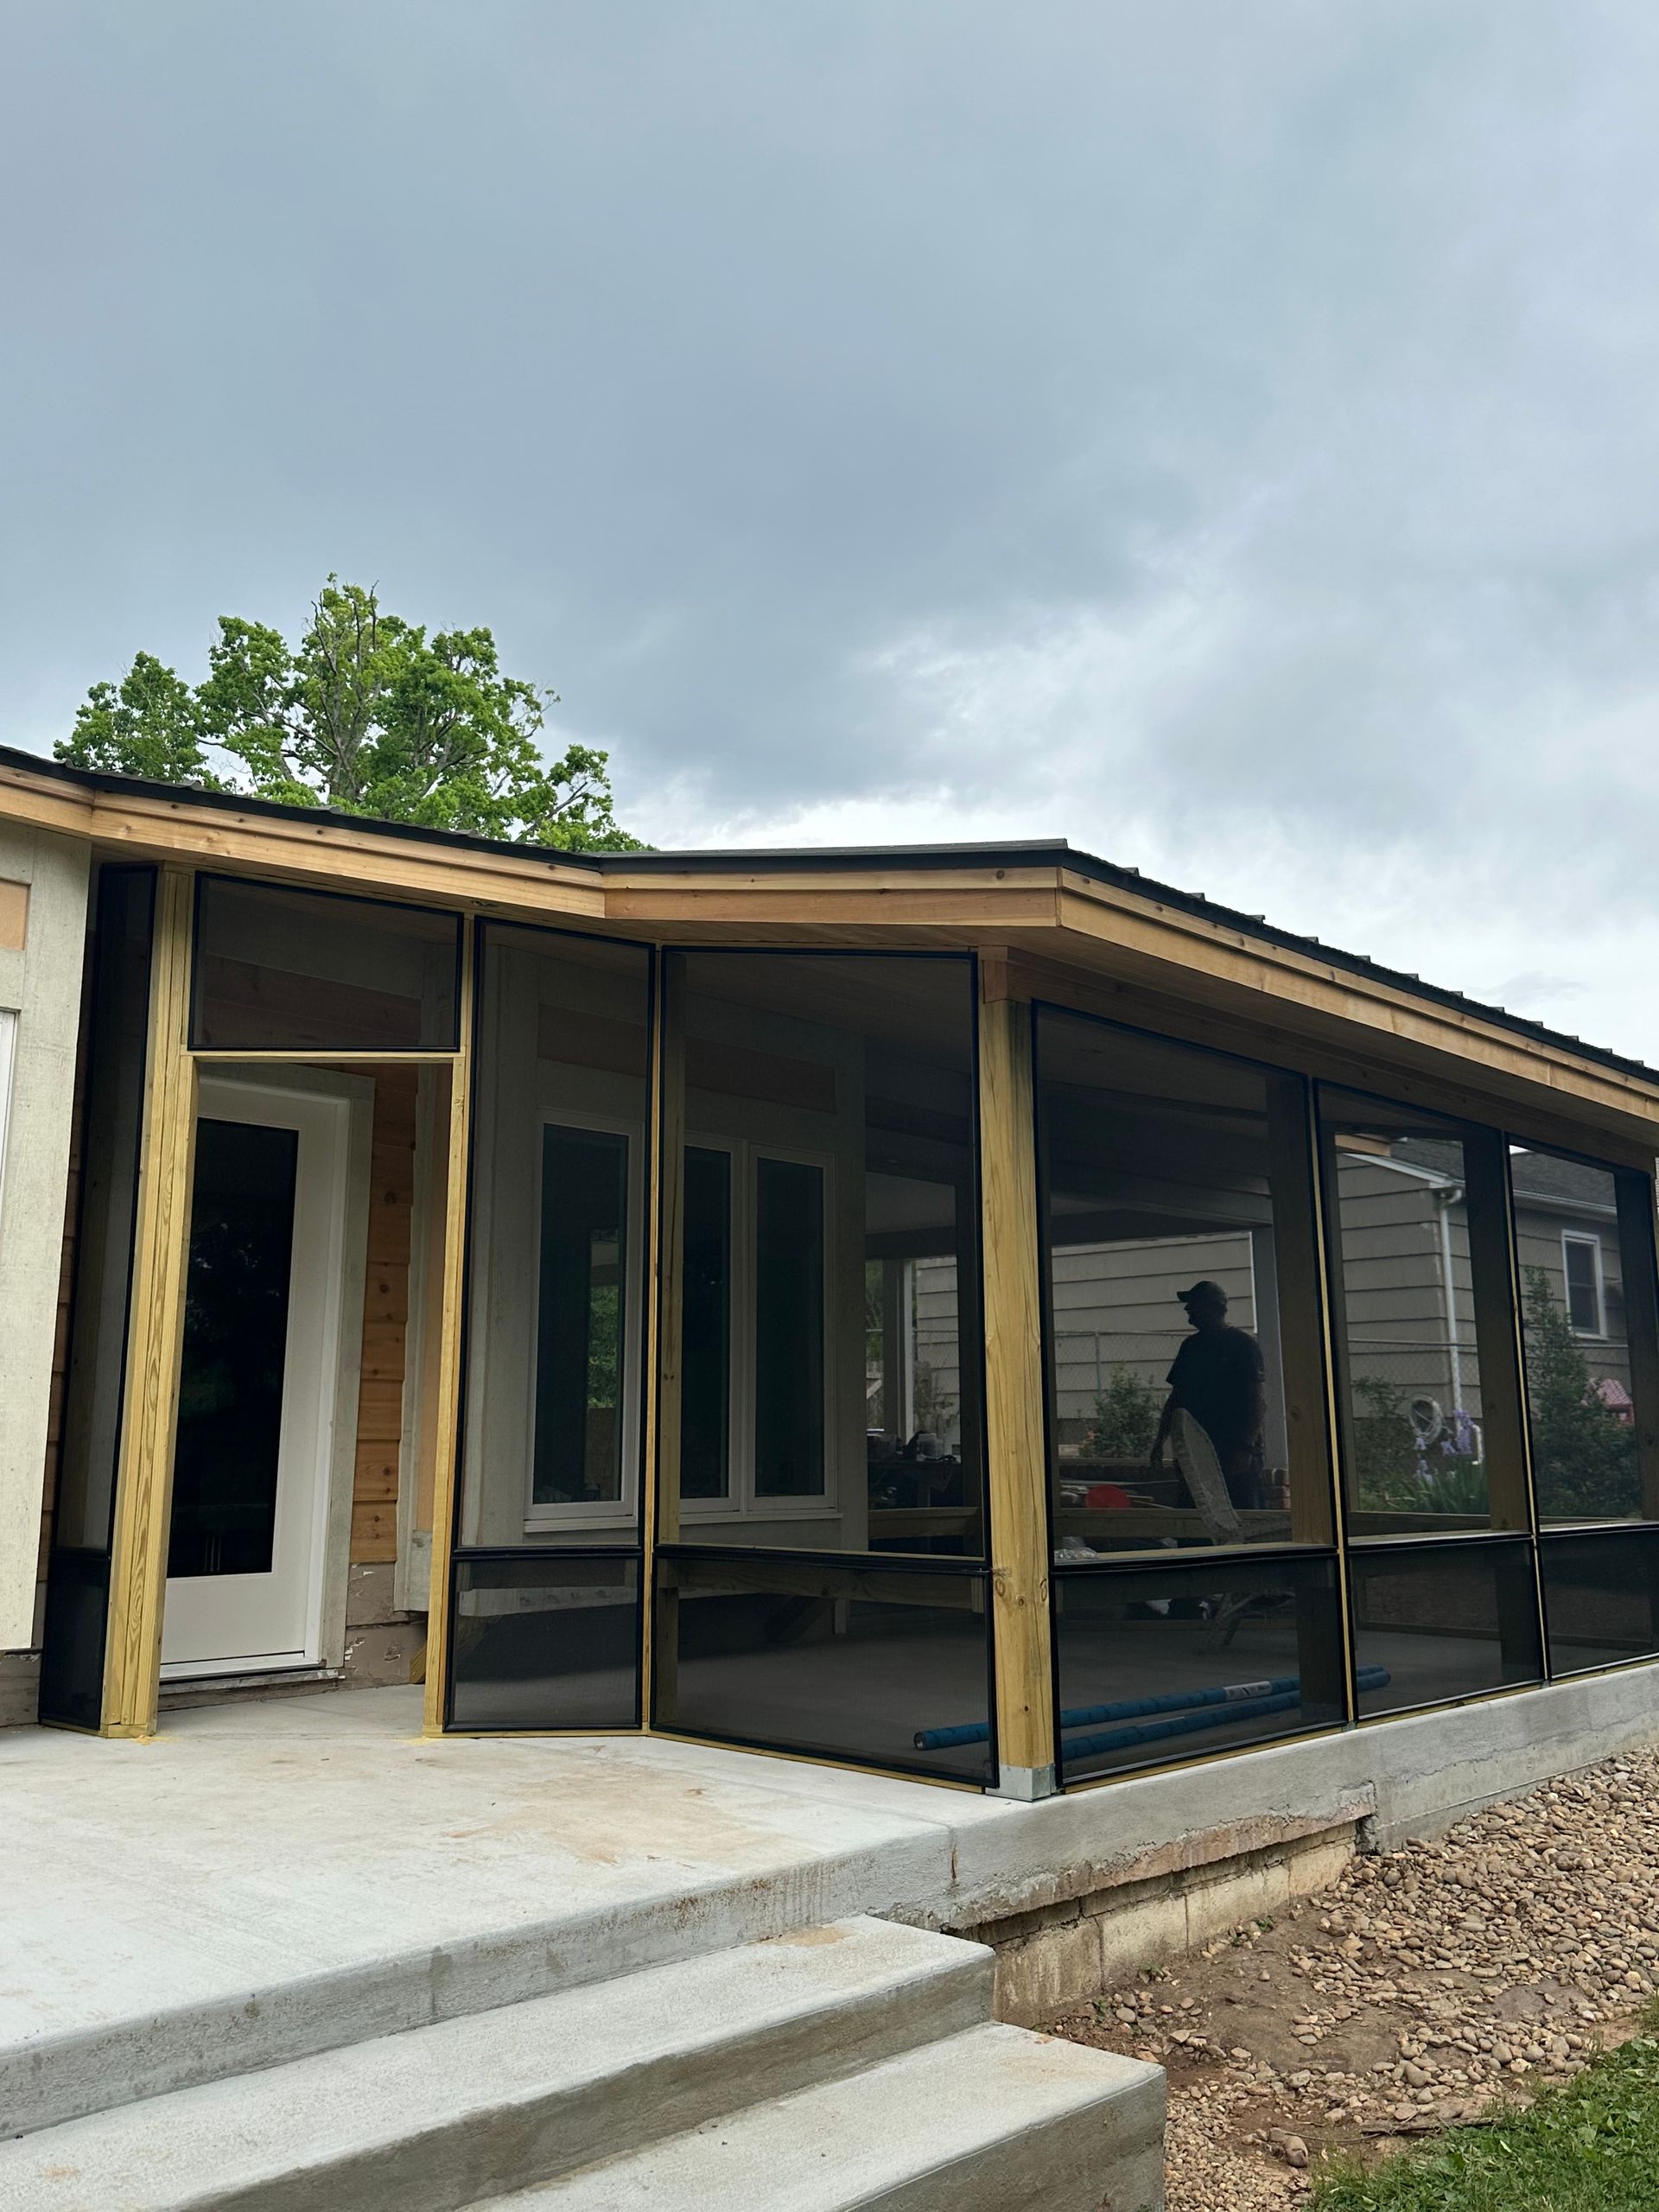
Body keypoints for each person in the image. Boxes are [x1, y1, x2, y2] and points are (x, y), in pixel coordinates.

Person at [1149, 1280, 1268, 1510]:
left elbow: (1257, 1401)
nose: (1187, 1309)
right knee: (1194, 1512)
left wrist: (1245, 1448)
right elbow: (1176, 1399)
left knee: (1241, 1512)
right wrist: (1160, 1439)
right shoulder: (1190, 1347)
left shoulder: (1243, 1346)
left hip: (1232, 1453)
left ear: (1212, 1307)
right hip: (1195, 1452)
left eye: (1193, 1303)